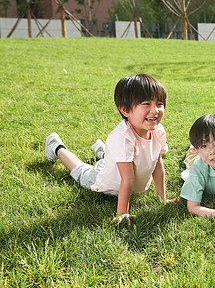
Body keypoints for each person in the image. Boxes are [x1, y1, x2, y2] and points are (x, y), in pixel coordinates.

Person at [44, 74, 169, 225]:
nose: (155, 110)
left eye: (159, 104)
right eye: (146, 104)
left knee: (118, 157)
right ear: (125, 110)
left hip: (119, 163)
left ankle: (101, 149)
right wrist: (122, 213)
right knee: (81, 170)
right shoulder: (122, 138)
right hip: (105, 180)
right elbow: (127, 178)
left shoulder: (158, 131)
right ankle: (56, 147)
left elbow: (157, 165)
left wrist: (163, 199)